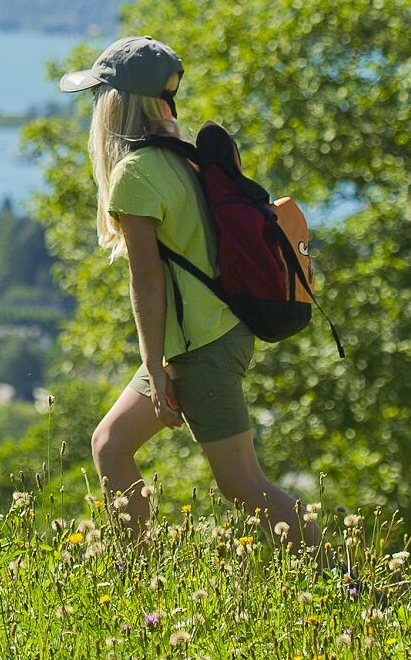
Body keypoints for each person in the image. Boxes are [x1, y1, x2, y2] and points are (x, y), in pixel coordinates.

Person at [69, 36, 319, 546]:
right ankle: (141, 574)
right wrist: (159, 364)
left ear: (115, 104)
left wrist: (156, 369)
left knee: (244, 486)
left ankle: (348, 584)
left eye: (99, 97)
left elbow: (148, 279)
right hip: (205, 336)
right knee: (111, 445)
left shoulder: (134, 174)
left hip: (200, 349)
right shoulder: (183, 157)